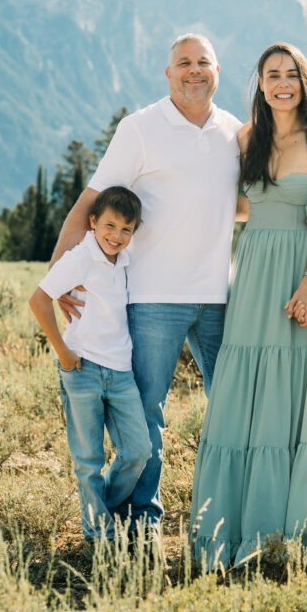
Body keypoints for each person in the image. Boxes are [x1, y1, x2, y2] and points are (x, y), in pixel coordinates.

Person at [50, 35, 241, 534]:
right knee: (148, 415)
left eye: (203, 62)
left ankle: (228, 508)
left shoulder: (234, 132)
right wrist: (60, 276)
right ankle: (140, 516)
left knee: (234, 403)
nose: (194, 70)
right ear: (168, 73)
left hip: (220, 296)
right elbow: (91, 203)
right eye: (184, 63)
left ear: (218, 70)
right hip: (154, 298)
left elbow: (238, 204)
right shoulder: (139, 128)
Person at [190, 42, 307, 567]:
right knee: (242, 392)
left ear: (305, 82)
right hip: (252, 272)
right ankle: (228, 531)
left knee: (292, 391)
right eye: (272, 74)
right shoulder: (246, 137)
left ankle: (285, 534)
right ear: (259, 83)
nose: (282, 83)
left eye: (291, 74)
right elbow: (232, 204)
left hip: (298, 275)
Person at [28, 185, 151, 542]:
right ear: (93, 222)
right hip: (81, 369)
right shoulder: (81, 257)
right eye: (110, 226)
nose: (117, 236)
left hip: (121, 371)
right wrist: (64, 352)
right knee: (89, 460)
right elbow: (38, 300)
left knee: (138, 450)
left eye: (126, 229)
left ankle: (100, 507)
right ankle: (99, 535)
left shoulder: (125, 262)